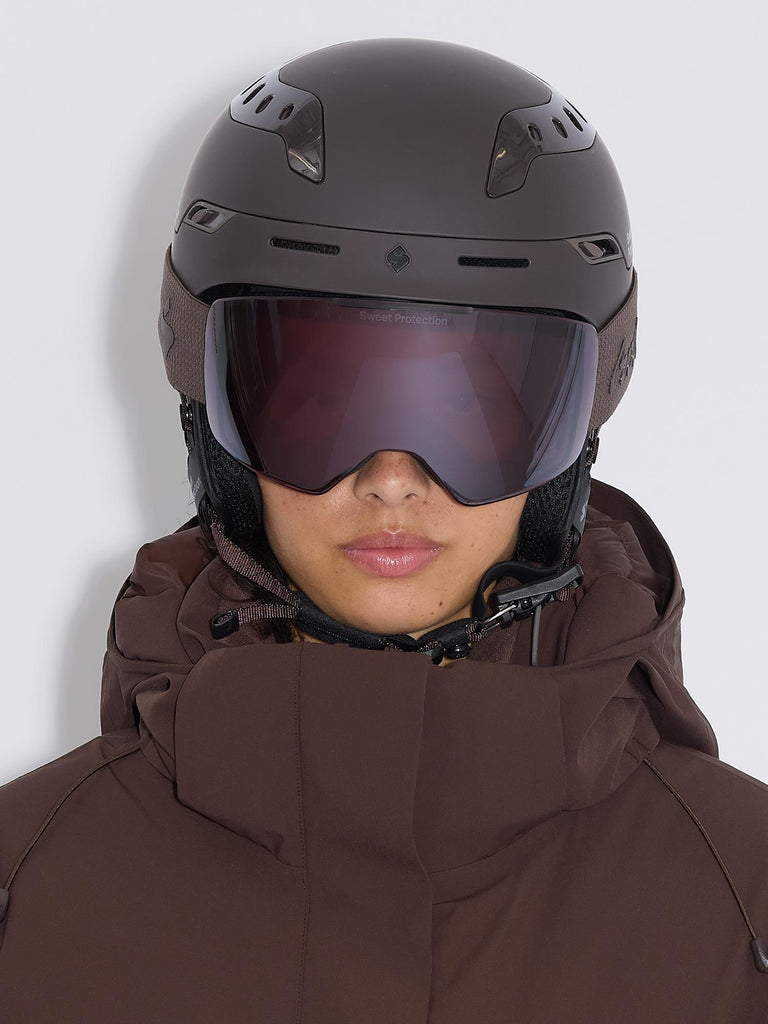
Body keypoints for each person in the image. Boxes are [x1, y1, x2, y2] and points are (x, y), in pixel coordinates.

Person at [1, 36, 767, 1023]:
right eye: (319, 404)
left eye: (471, 412)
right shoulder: (29, 891)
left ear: (573, 428)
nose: (393, 481)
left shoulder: (741, 905)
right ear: (212, 409)